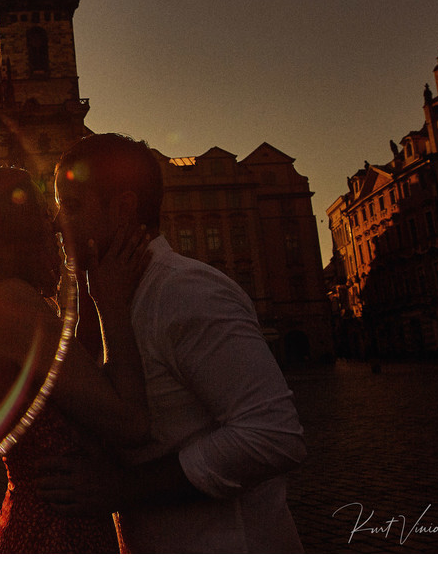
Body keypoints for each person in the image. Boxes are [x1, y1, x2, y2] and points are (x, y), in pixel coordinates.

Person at [38, 132, 307, 553]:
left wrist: (123, 488)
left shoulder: (186, 292)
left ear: (124, 209)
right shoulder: (107, 293)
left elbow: (272, 435)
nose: (56, 222)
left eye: (71, 206)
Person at [0, 166, 152, 554]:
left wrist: (84, 282)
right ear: (15, 225)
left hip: (43, 518)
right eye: (43, 211)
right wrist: (111, 305)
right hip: (57, 531)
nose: (56, 224)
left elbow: (74, 372)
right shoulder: (12, 301)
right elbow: (131, 423)